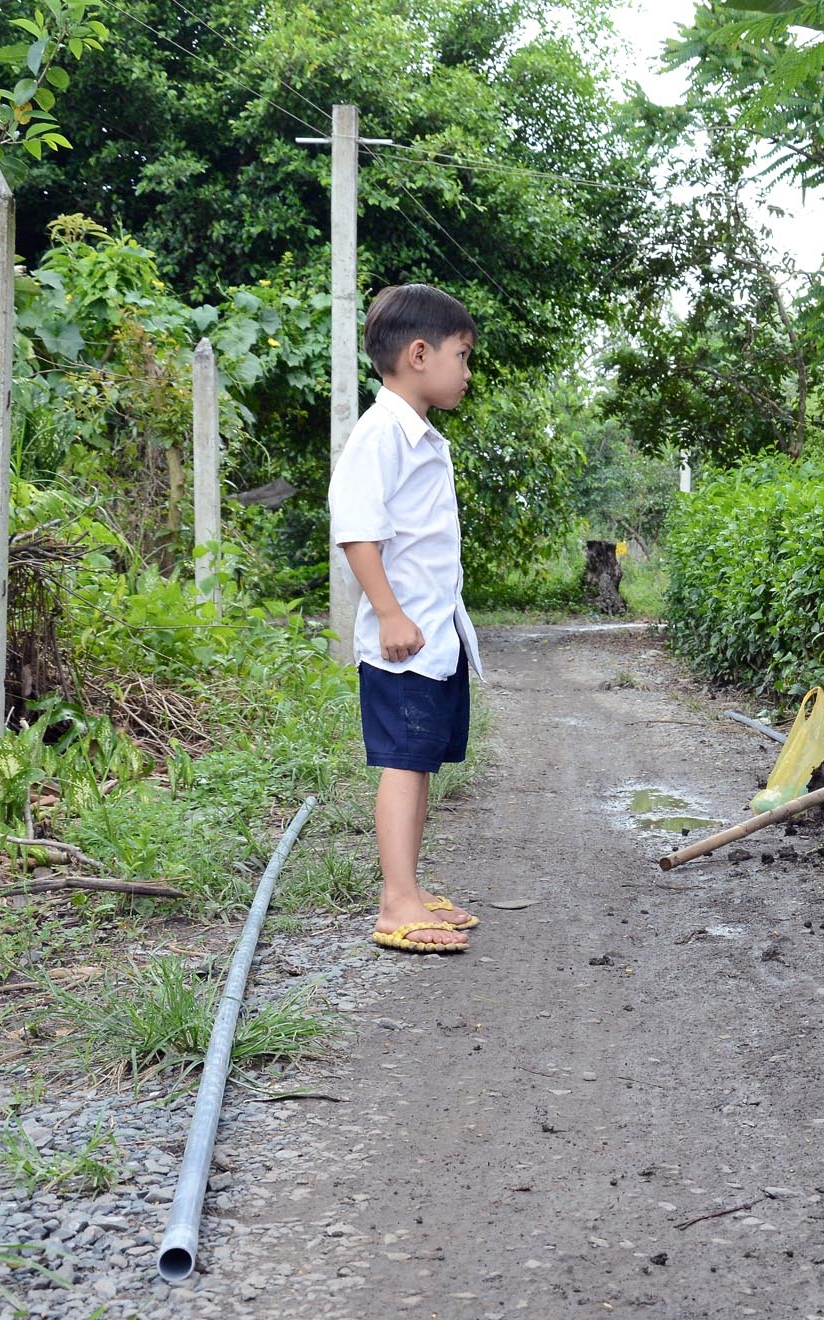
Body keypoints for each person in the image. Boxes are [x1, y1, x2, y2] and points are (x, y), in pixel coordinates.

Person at [329, 284, 484, 954]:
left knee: (419, 763)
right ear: (419, 354)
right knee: (402, 764)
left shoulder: (418, 435)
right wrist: (388, 613)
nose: (468, 371)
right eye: (462, 355)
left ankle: (411, 890)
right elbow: (357, 532)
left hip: (433, 637)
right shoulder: (379, 433)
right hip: (403, 641)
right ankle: (395, 904)